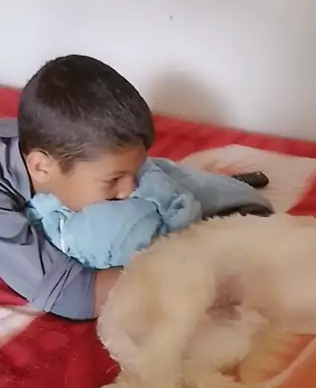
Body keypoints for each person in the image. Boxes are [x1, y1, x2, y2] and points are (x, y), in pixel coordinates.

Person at [0, 55, 271, 321]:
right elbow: (75, 294)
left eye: (135, 172)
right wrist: (199, 275)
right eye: (113, 180)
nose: (130, 189)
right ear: (41, 168)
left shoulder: (54, 141)